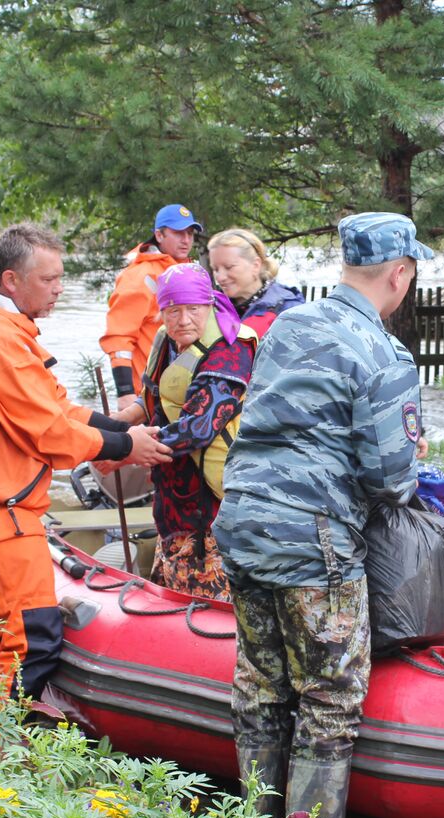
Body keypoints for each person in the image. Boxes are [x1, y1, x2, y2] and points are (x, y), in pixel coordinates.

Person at [214, 211, 433, 818]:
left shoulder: (290, 325)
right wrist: (414, 457)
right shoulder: (384, 353)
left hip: (244, 521)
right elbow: (390, 479)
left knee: (260, 685)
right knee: (329, 697)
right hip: (316, 544)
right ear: (399, 274)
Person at [0, 224, 172, 700]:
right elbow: (49, 432)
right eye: (49, 279)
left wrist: (119, 431)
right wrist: (125, 449)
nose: (59, 289)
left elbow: (55, 411)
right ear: (11, 281)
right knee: (31, 637)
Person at [109, 263, 258, 599]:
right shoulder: (166, 339)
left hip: (216, 499)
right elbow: (154, 401)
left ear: (210, 304)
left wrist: (121, 450)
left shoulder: (231, 349)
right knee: (171, 588)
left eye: (193, 309)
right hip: (173, 491)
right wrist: (114, 425)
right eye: (172, 310)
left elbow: (199, 428)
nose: (183, 319)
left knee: (207, 599)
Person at [100, 203, 203, 413]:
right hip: (148, 394)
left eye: (190, 233)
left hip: (181, 389)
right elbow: (119, 338)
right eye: (178, 233)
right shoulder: (140, 276)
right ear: (159, 235)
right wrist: (125, 392)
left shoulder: (188, 270)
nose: (186, 240)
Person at [205, 228, 305, 335]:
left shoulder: (288, 311)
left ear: (256, 265)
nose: (220, 277)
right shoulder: (210, 308)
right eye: (215, 269)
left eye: (229, 267)